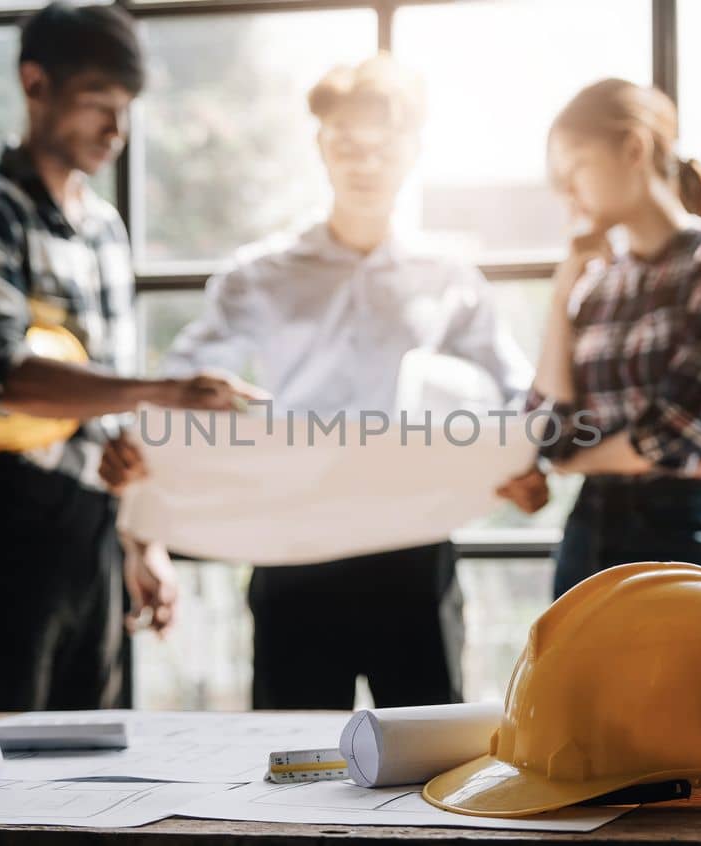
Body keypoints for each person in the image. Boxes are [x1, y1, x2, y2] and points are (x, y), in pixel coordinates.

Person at [106, 54, 531, 710]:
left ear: (414, 150)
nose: (364, 163)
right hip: (290, 550)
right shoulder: (261, 274)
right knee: (293, 762)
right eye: (345, 145)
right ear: (321, 148)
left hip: (412, 550)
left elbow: (515, 397)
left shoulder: (448, 278)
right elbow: (173, 391)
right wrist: (143, 473)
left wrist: (524, 468)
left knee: (431, 761)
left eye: (382, 147)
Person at [0, 2, 257, 711]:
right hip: (0, 531)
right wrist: (163, 390)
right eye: (98, 105)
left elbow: (105, 423)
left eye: (125, 109)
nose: (116, 131)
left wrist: (137, 541)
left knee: (91, 775)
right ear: (36, 85)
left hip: (91, 539)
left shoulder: (105, 231)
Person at [495, 78, 701, 598]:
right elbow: (550, 425)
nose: (566, 192)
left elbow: (675, 433)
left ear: (633, 148)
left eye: (574, 166)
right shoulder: (600, 283)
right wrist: (562, 296)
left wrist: (567, 462)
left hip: (683, 531)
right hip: (588, 531)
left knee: (689, 682)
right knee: (573, 683)